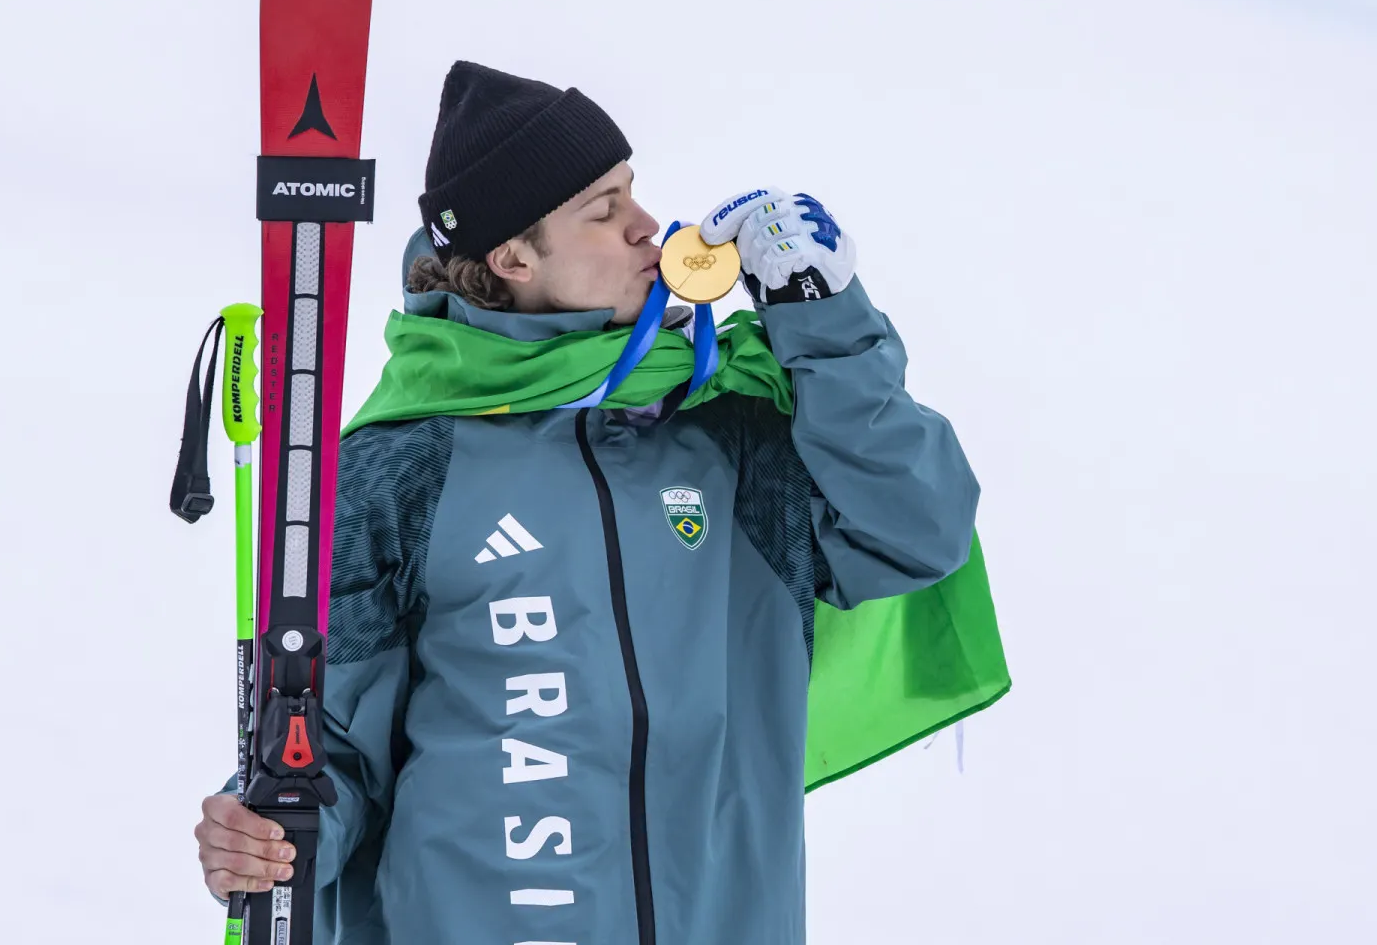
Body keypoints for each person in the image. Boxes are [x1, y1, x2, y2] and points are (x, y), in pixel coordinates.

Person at [193, 60, 981, 944]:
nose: (649, 227)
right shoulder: (403, 462)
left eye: (633, 193)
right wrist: (266, 835)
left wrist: (822, 316)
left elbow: (916, 531)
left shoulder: (731, 423)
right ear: (513, 257)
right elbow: (329, 748)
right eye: (603, 211)